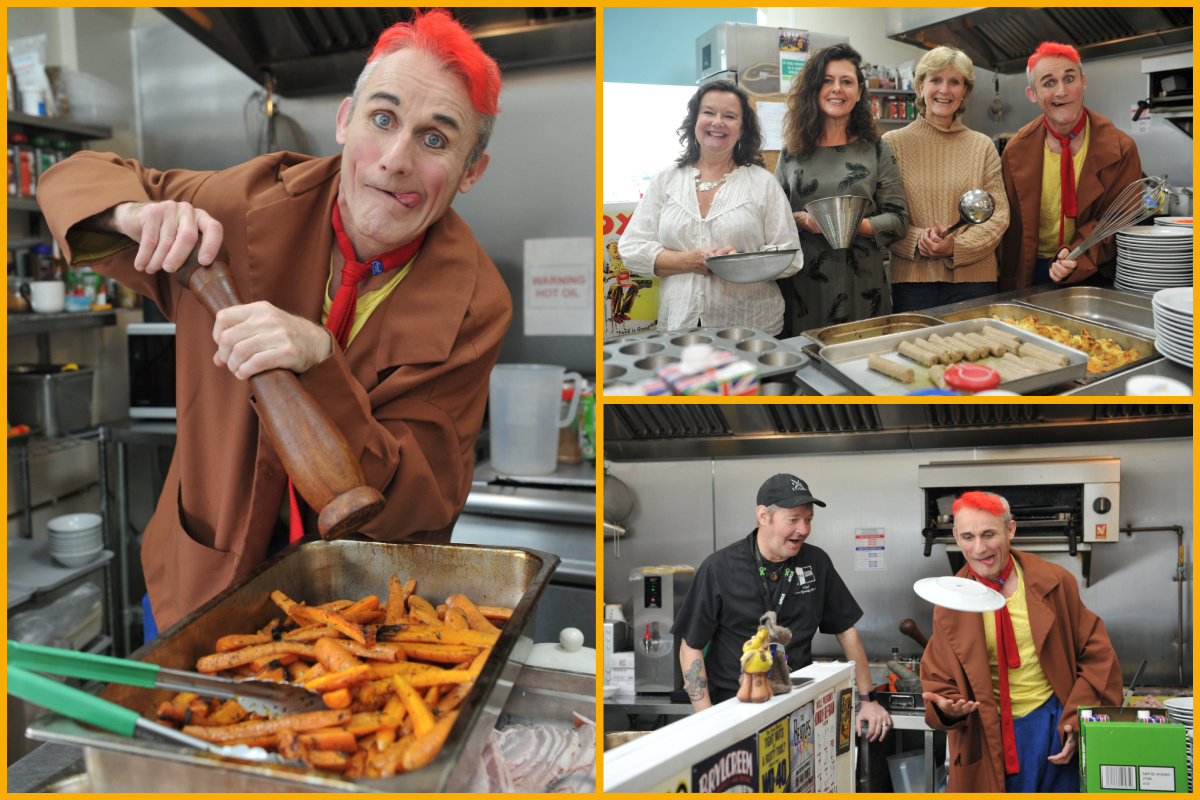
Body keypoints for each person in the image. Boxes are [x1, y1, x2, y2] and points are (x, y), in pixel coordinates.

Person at [37, 9, 512, 632]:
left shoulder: (477, 303)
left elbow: (414, 507)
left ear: (470, 170)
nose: (395, 159)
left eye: (434, 139)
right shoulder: (243, 206)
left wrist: (321, 362)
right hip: (201, 584)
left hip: (358, 614)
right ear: (344, 120)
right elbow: (71, 176)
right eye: (383, 118)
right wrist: (133, 215)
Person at [920, 491, 1122, 793]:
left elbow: (1098, 658)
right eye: (967, 537)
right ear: (955, 537)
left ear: (1010, 530)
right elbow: (938, 680)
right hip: (986, 737)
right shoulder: (950, 603)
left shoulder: (1055, 583)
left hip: (1053, 724)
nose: (979, 549)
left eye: (989, 534)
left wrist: (1077, 722)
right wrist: (949, 708)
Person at [672, 474, 892, 741]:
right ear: (763, 516)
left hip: (799, 711)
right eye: (793, 520)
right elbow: (691, 645)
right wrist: (706, 721)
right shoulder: (719, 568)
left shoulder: (816, 562)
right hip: (735, 711)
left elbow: (846, 632)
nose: (804, 529)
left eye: (808, 519)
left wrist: (868, 700)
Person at [617, 80, 802, 336]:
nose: (718, 122)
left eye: (730, 116)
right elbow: (631, 250)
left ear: (742, 129)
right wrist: (687, 262)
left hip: (750, 329)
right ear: (694, 120)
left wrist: (740, 263)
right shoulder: (665, 180)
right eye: (708, 112)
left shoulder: (763, 183)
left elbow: (791, 255)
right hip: (680, 328)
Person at [774, 43, 909, 335]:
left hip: (862, 285)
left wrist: (849, 225)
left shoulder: (876, 149)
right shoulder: (792, 152)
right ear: (814, 89)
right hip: (803, 286)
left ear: (859, 92)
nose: (837, 89)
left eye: (846, 81)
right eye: (827, 80)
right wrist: (801, 220)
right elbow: (772, 217)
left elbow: (899, 220)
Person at [999, 41, 1144, 290]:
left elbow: (1120, 219)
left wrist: (1075, 253)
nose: (1061, 92)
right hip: (1029, 273)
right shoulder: (1015, 151)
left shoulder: (1121, 148)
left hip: (1096, 271)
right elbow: (1007, 226)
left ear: (1083, 82)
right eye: (1048, 83)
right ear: (1032, 94)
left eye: (1069, 78)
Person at [883, 46, 1010, 313]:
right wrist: (917, 240)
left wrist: (957, 245)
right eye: (936, 80)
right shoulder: (891, 145)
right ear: (920, 86)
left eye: (955, 82)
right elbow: (882, 215)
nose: (945, 90)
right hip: (913, 284)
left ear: (965, 90)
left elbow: (998, 216)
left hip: (975, 282)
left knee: (978, 355)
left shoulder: (982, 146)